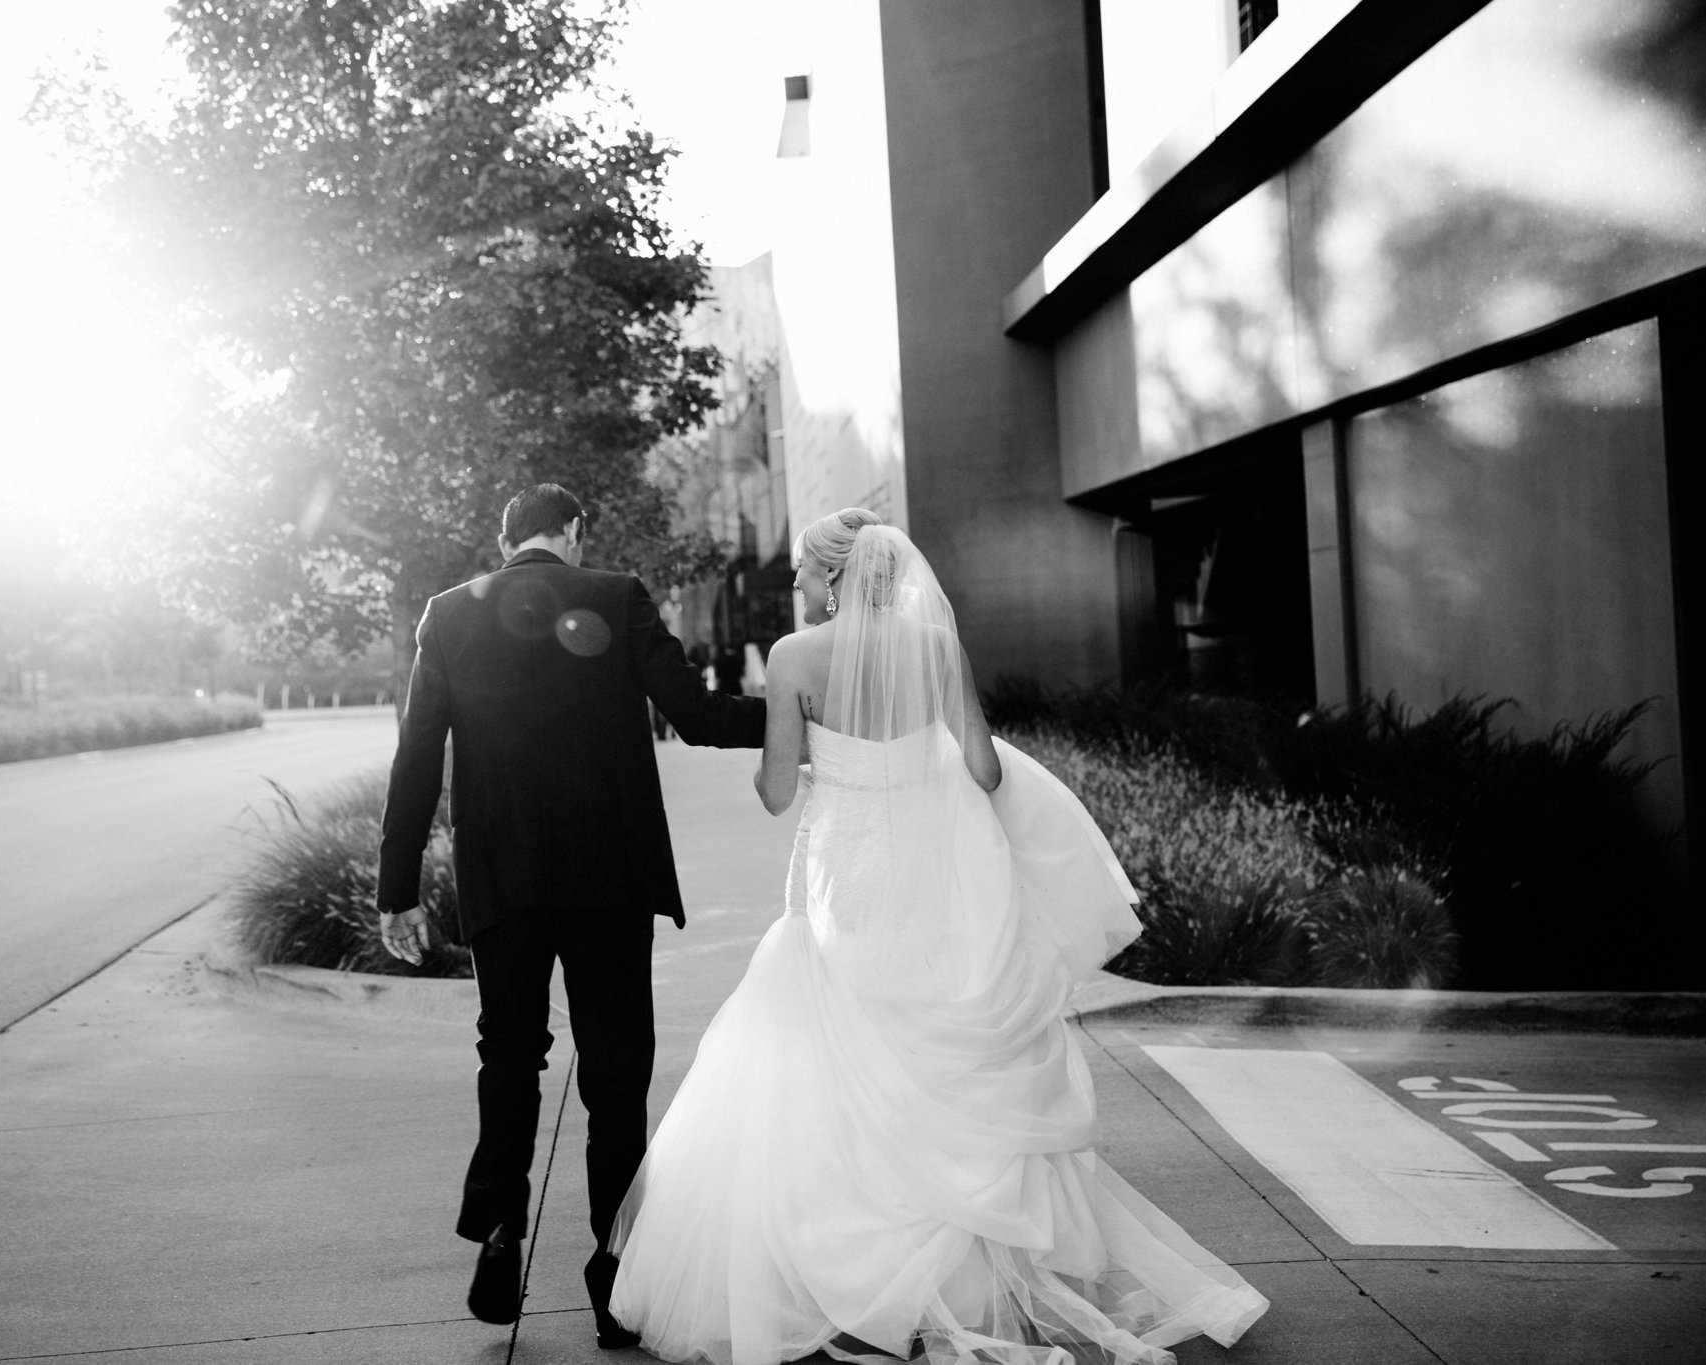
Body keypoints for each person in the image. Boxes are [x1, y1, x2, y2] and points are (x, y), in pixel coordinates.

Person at [605, 508, 1269, 1365]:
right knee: (940, 1059)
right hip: (938, 883)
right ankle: (954, 1280)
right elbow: (985, 769)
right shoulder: (935, 646)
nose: (798, 583)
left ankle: (853, 1278)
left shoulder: (794, 658)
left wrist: (811, 761)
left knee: (846, 1052)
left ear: (837, 576)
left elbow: (776, 793)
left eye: (806, 569)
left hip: (850, 880)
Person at [374, 483, 767, 1350]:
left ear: (504, 536)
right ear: (575, 533)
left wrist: (395, 887)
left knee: (508, 1053)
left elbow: (416, 756)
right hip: (610, 879)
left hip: (503, 876)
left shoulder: (446, 614)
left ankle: (502, 1225)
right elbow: (698, 719)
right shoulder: (616, 595)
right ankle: (614, 1274)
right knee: (616, 1075)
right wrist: (802, 717)